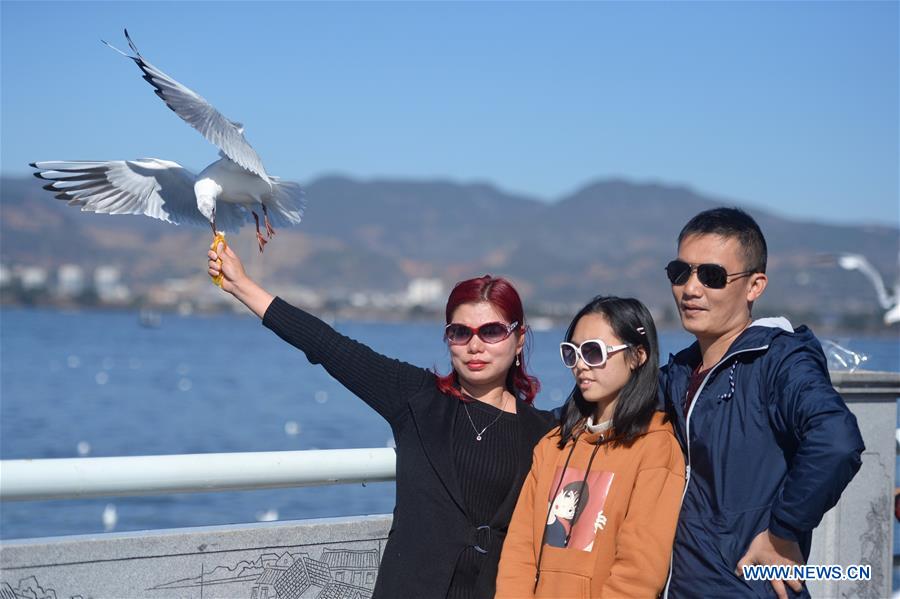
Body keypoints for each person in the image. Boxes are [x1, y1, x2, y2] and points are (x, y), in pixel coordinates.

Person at [208, 243, 555, 599]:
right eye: (460, 332)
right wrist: (240, 284)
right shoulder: (417, 399)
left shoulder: (546, 433)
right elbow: (328, 346)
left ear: (519, 340)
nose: (474, 345)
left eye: (492, 331)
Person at [659, 207, 865, 599]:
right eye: (680, 272)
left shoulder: (779, 360)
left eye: (713, 276)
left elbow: (837, 440)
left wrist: (783, 532)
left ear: (755, 286)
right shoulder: (680, 373)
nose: (691, 288)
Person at [496, 296, 685, 598]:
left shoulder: (655, 449)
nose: (581, 365)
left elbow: (639, 571)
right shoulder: (552, 446)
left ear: (638, 355)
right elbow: (519, 551)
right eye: (572, 353)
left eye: (594, 352)